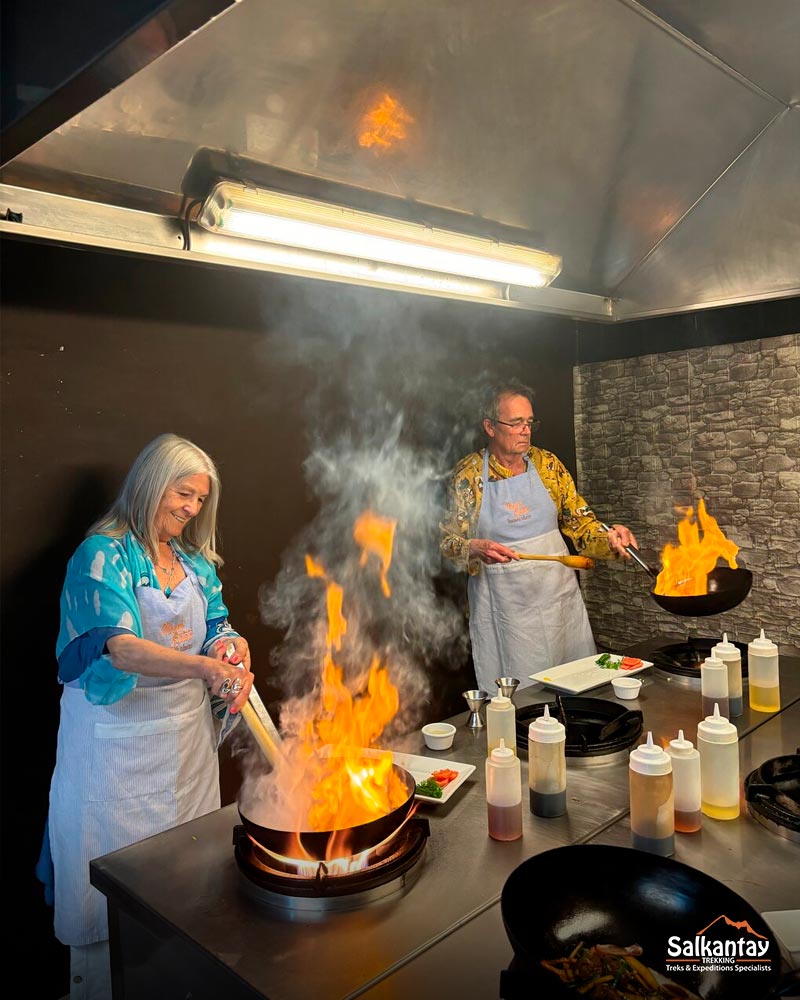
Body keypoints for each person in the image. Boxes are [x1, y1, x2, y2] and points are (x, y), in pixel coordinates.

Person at [40, 433, 255, 999]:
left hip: (183, 750)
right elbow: (121, 648)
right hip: (116, 749)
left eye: (199, 500)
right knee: (113, 889)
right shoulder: (101, 555)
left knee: (184, 886)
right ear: (150, 483)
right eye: (182, 493)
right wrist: (206, 670)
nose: (191, 509)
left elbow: (218, 625)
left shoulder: (191, 561)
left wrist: (231, 651)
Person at [440, 383, 637, 693]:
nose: (525, 431)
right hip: (507, 612)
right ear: (490, 426)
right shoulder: (468, 477)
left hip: (557, 601)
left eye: (529, 422)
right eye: (515, 423)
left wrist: (610, 538)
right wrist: (473, 548)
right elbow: (447, 544)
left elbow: (582, 525)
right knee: (522, 701)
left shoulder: (547, 465)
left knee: (575, 684)